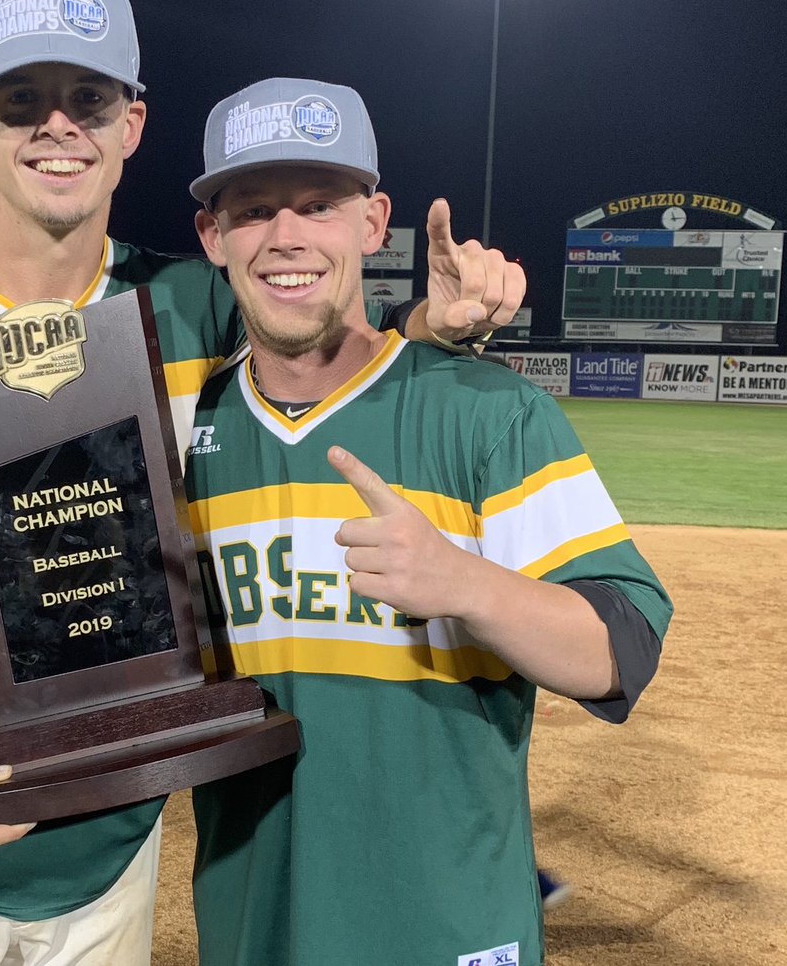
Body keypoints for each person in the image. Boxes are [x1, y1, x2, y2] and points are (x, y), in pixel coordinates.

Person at [0, 0, 524, 966]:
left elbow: (323, 350)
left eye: (89, 100)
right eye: (22, 101)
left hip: (113, 850)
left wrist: (427, 324)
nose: (58, 126)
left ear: (132, 126)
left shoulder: (192, 308)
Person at [184, 77, 673, 965]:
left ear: (373, 224)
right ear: (213, 237)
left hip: (446, 927)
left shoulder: (488, 413)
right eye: (253, 210)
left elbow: (622, 647)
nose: (287, 236)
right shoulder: (185, 430)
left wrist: (464, 583)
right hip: (252, 925)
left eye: (319, 205)